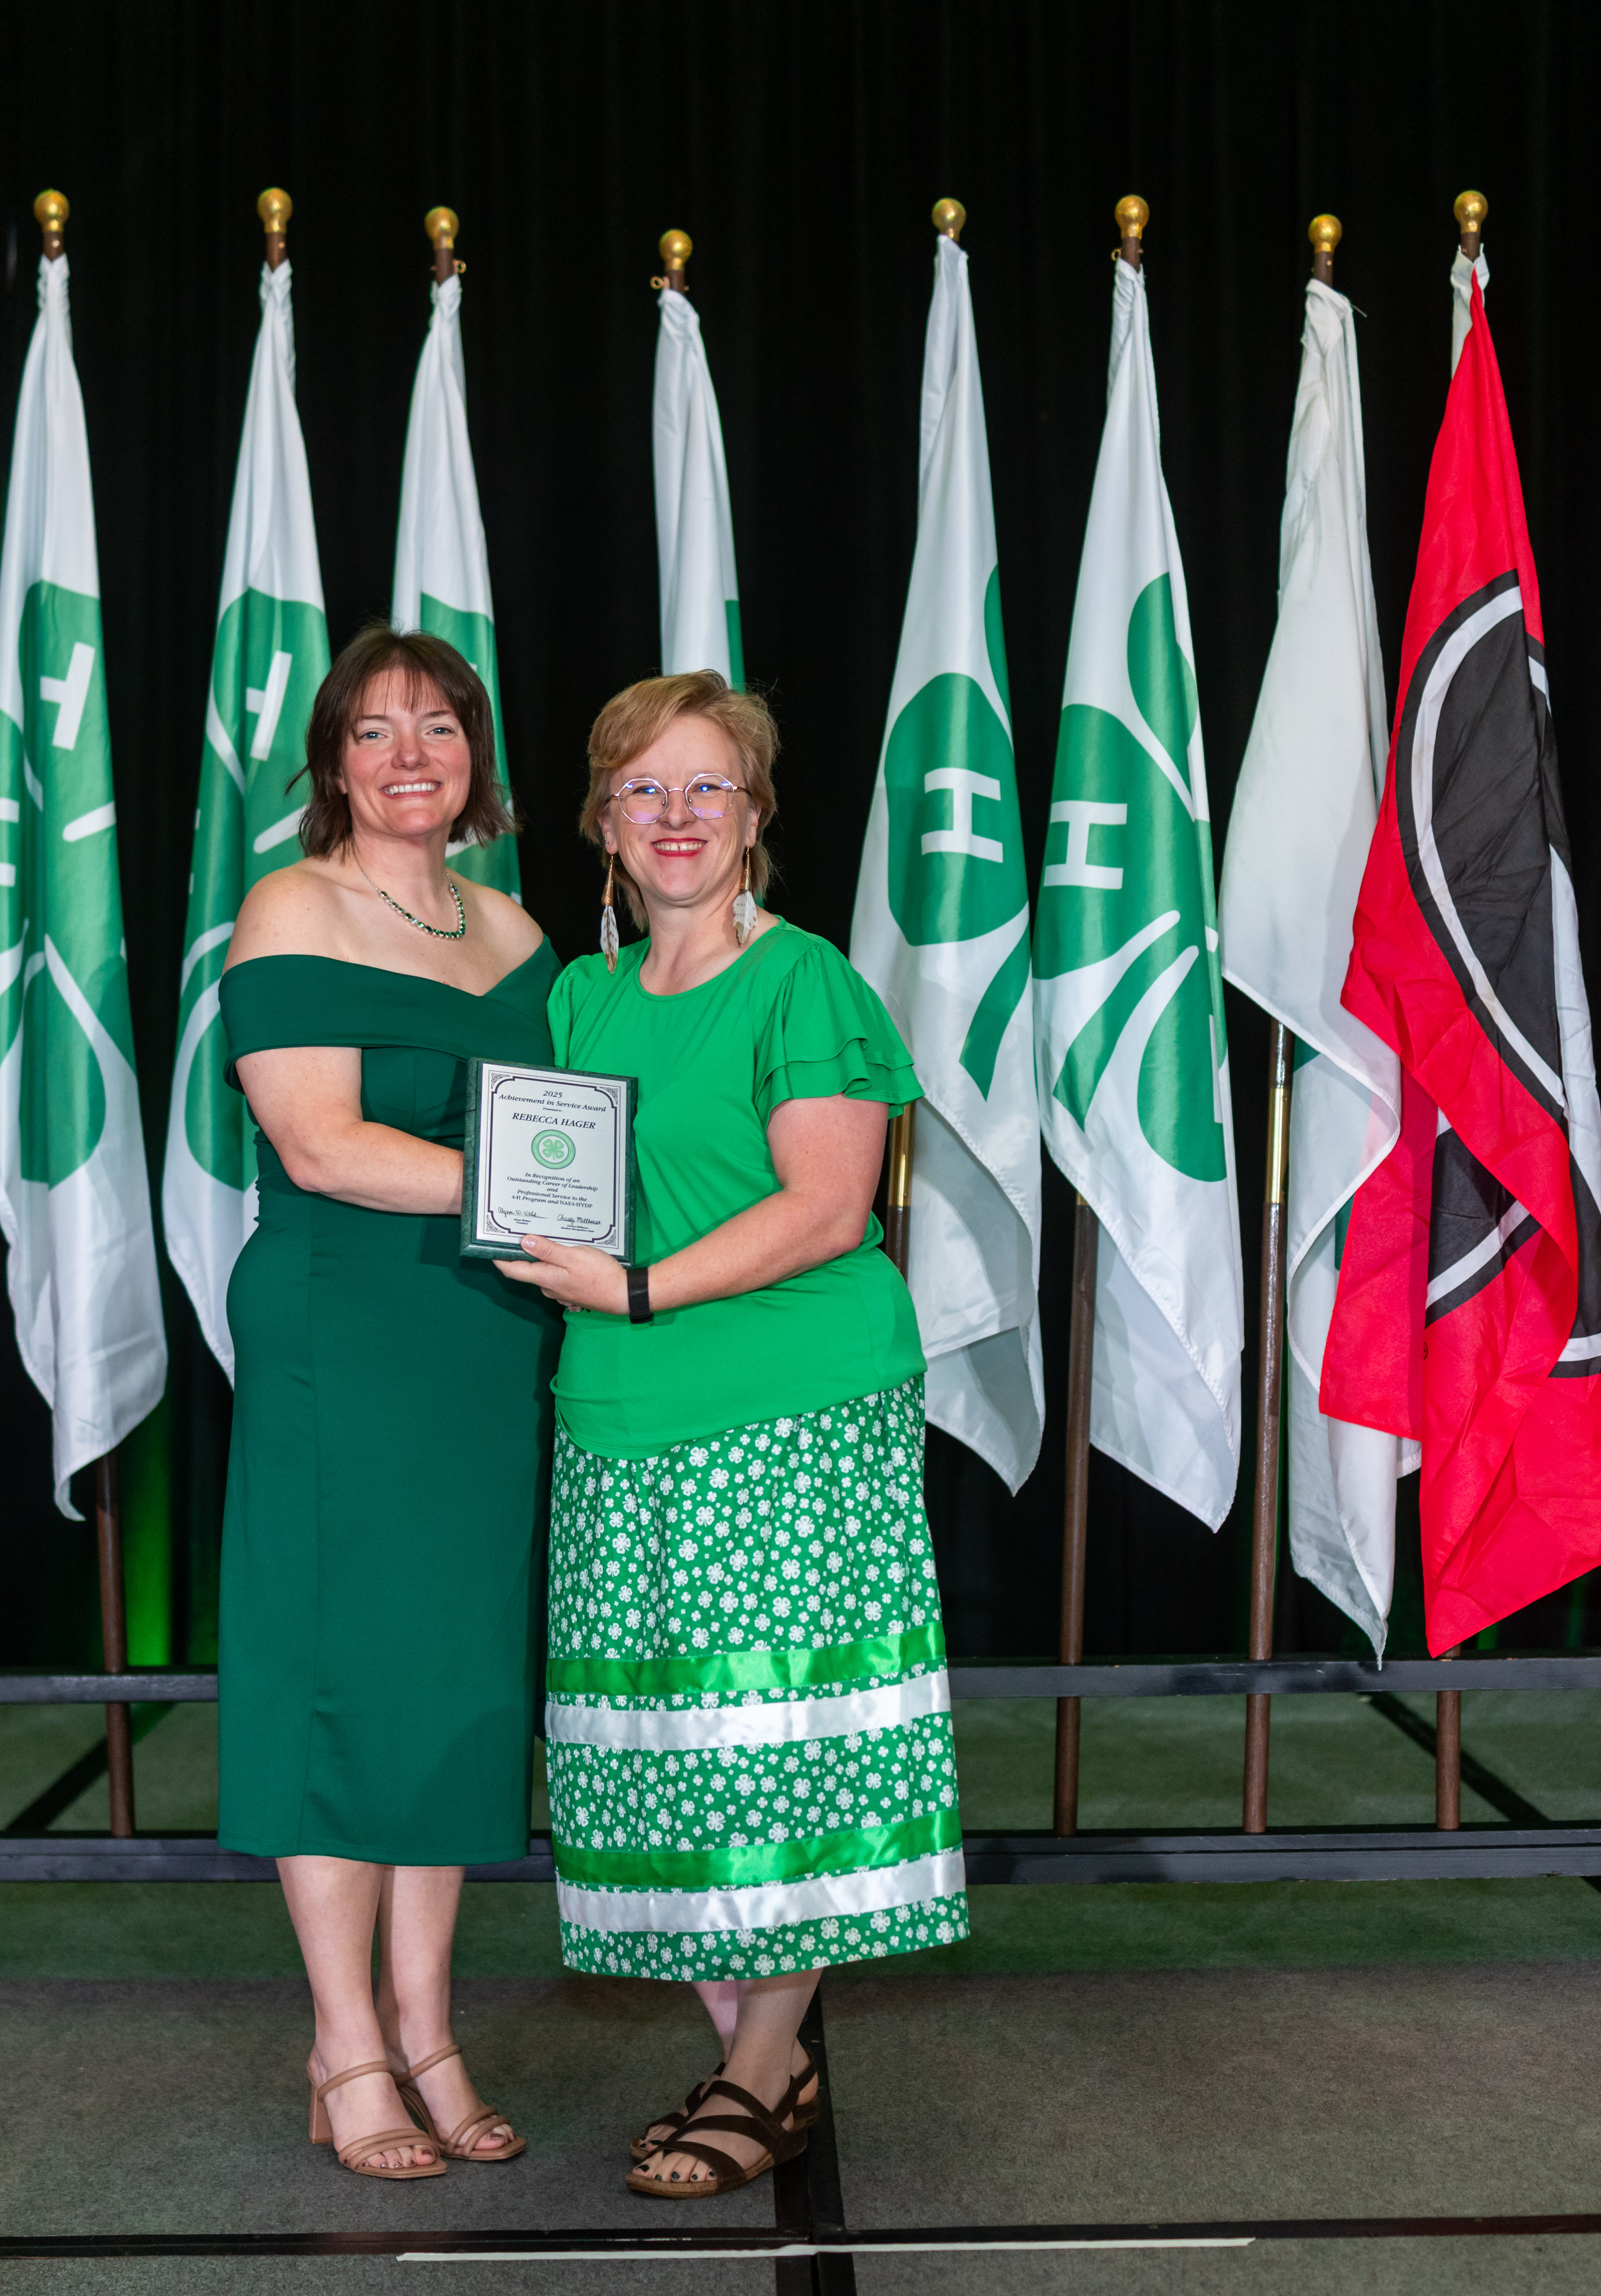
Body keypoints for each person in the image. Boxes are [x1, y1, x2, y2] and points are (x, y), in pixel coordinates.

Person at [494, 672, 968, 2200]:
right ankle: (766, 2058)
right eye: (645, 787)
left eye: (710, 786)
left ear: (755, 818)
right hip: (616, 1412)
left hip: (788, 1406)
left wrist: (635, 1288)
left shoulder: (803, 981)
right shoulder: (580, 1000)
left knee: (777, 1745)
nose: (677, 814)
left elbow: (826, 1209)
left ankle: (758, 2072)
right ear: (602, 824)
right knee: (660, 1757)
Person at [219, 623, 556, 2182]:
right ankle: (342, 2042)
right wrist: (547, 1192)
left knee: (450, 1677)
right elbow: (324, 1146)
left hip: (486, 1334)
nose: (409, 755)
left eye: (438, 727)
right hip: (342, 1325)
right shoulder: (292, 905)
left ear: (474, 756)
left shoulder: (516, 931)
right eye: (374, 730)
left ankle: (427, 2029)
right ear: (333, 763)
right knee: (340, 1674)